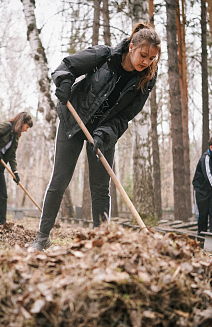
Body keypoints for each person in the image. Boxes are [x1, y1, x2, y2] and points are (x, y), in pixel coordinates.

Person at [30, 23, 161, 251]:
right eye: (143, 55)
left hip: (103, 132)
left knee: (101, 188)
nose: (146, 62)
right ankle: (42, 237)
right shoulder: (104, 55)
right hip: (74, 119)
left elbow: (125, 117)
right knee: (60, 179)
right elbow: (67, 66)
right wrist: (64, 83)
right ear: (131, 47)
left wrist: (104, 134)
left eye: (152, 58)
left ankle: (100, 245)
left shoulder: (146, 79)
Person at [192, 136, 212, 235]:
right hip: (201, 190)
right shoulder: (205, 158)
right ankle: (201, 238)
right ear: (211, 147)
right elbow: (208, 175)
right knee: (203, 215)